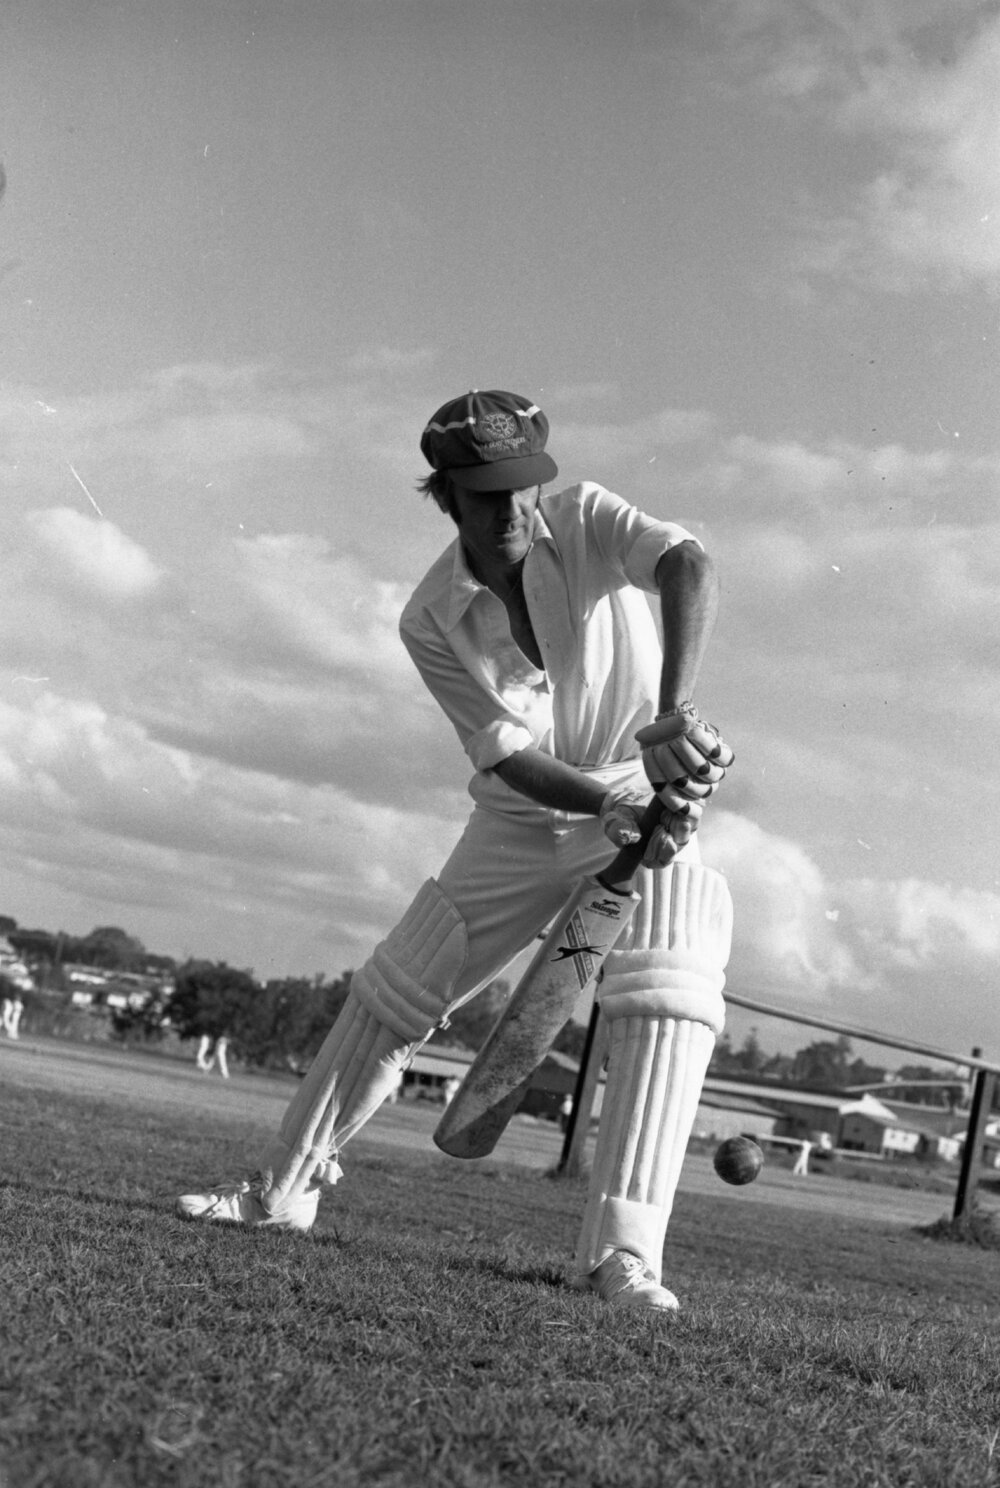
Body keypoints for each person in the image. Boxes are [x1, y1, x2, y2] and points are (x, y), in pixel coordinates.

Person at [177, 388, 735, 1314]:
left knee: (672, 985)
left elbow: (688, 563)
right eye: (487, 498)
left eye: (523, 490)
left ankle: (624, 1259)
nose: (513, 513)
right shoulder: (429, 617)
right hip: (527, 820)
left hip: (644, 791)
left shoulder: (588, 517)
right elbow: (511, 756)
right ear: (444, 497)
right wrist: (604, 809)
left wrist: (672, 718)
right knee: (398, 988)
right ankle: (280, 1192)